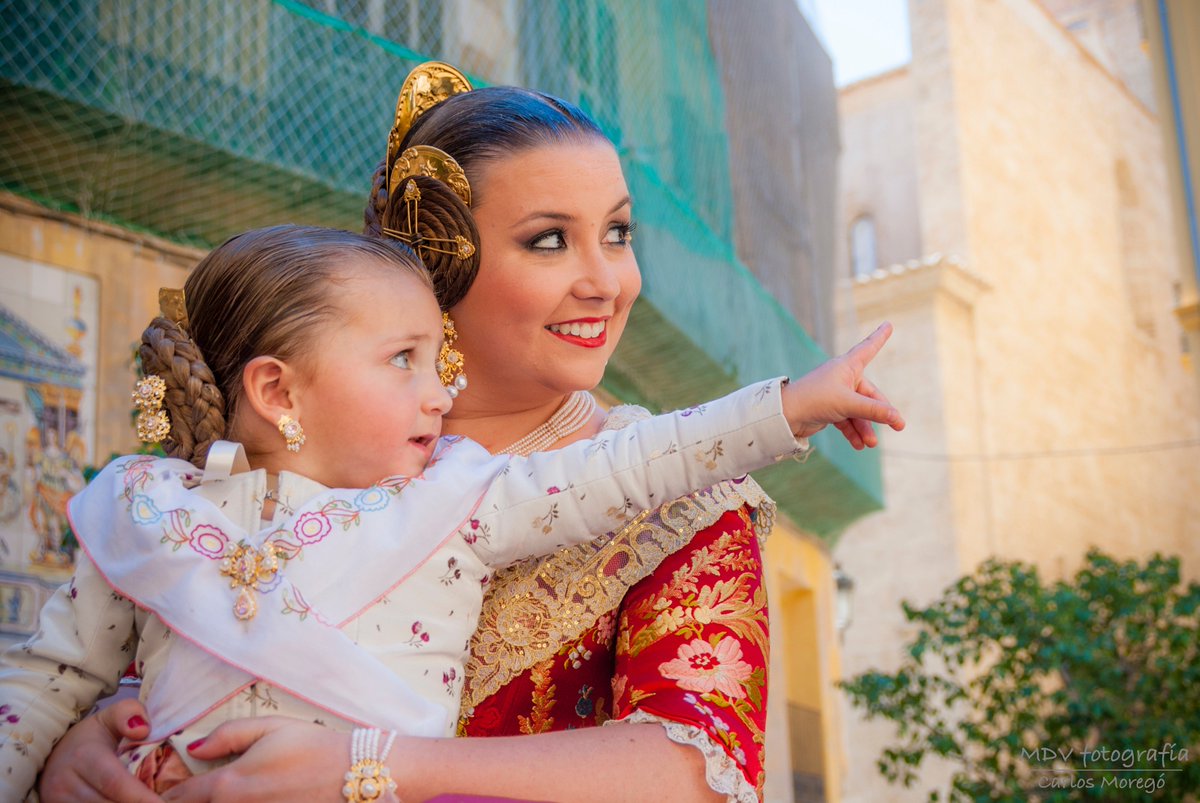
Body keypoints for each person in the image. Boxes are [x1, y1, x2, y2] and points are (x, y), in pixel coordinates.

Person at [36, 63, 903, 803]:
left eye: (617, 233)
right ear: (435, 256)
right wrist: (73, 755)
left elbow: (698, 770)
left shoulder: (683, 495)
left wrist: (371, 766)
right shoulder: (300, 444)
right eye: (550, 241)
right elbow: (113, 655)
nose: (607, 280)